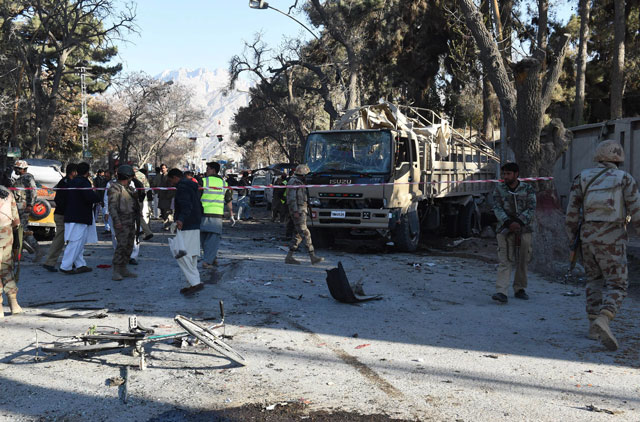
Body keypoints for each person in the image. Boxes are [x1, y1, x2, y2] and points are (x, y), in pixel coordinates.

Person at [565, 140, 640, 351]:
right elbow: (637, 211)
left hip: (587, 237)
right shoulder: (625, 178)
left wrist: (572, 239)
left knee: (593, 280)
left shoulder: (582, 177)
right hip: (613, 238)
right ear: (618, 158)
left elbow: (571, 214)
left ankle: (592, 326)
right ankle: (605, 318)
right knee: (618, 284)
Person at [491, 162, 536, 304]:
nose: (505, 176)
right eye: (503, 174)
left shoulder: (528, 189)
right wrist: (508, 223)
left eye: (508, 174)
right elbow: (497, 207)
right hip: (504, 230)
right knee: (504, 260)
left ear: (516, 174)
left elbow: (531, 207)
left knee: (523, 260)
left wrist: (520, 222)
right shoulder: (499, 189)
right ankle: (501, 291)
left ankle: (520, 288)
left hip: (523, 230)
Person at [167, 168, 204, 295]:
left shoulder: (182, 188)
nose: (170, 183)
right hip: (195, 222)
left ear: (175, 177)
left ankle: (195, 282)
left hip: (187, 224)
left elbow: (186, 205)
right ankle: (192, 282)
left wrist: (180, 220)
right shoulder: (192, 186)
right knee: (192, 254)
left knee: (182, 254)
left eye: (170, 180)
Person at [60, 162, 100, 275]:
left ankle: (80, 264)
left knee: (79, 241)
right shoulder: (84, 182)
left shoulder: (71, 182)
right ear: (87, 172)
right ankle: (66, 266)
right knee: (75, 241)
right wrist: (98, 197)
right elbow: (89, 197)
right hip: (79, 216)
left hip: (71, 214)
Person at [284, 164, 324, 265]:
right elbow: (292, 198)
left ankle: (289, 256)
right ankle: (312, 256)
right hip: (298, 211)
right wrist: (295, 211)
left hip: (302, 211)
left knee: (298, 235)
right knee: (306, 233)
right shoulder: (294, 182)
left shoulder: (299, 182)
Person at [43, 163, 78, 272]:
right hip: (62, 215)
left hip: (66, 214)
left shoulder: (68, 182)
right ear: (73, 172)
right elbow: (60, 200)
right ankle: (50, 262)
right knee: (60, 239)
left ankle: (70, 262)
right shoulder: (65, 183)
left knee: (71, 239)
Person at [107, 165, 140, 281]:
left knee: (129, 245)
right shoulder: (115, 188)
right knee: (121, 245)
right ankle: (116, 269)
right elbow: (112, 207)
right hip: (122, 220)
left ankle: (123, 268)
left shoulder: (128, 188)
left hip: (131, 220)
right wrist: (116, 221)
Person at [200, 161, 233, 269]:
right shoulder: (224, 184)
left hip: (203, 213)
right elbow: (228, 200)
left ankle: (211, 258)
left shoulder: (203, 181)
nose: (206, 171)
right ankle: (208, 261)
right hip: (216, 215)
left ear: (213, 170)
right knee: (213, 240)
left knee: (204, 239)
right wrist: (231, 214)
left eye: (208, 169)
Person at [0, 172, 22, 318]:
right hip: (6, 232)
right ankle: (14, 304)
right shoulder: (7, 193)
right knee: (6, 267)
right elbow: (16, 221)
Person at [11, 160, 42, 260]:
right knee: (17, 230)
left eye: (16, 168)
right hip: (18, 208)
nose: (15, 170)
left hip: (23, 208)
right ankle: (20, 253)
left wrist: (30, 205)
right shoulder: (21, 178)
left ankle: (37, 250)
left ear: (21, 169)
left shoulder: (28, 177)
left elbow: (33, 192)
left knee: (22, 231)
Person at [133, 164, 153, 241]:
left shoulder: (130, 178)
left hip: (135, 200)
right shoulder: (143, 176)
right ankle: (146, 231)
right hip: (142, 199)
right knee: (141, 216)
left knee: (138, 216)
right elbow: (147, 187)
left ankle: (142, 231)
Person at [153, 164, 175, 230]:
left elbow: (170, 187)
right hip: (162, 196)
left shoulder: (168, 176)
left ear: (166, 169)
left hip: (167, 197)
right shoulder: (161, 176)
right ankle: (166, 224)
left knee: (167, 212)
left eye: (164, 168)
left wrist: (168, 196)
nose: (163, 169)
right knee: (163, 211)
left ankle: (169, 225)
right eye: (162, 168)